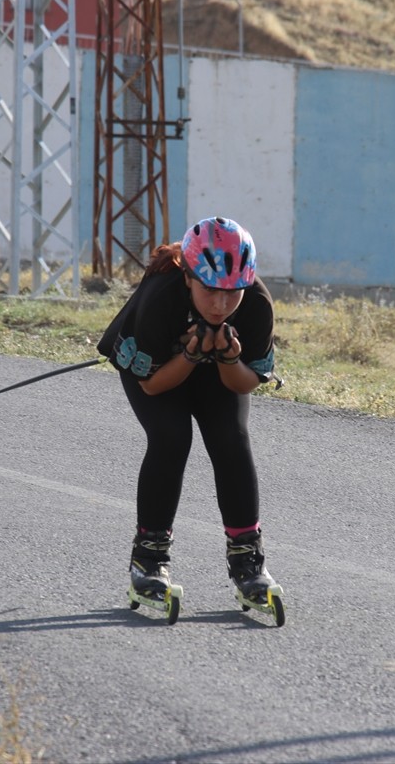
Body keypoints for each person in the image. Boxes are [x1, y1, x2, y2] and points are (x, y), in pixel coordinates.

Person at [97, 216, 282, 607]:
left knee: (231, 439)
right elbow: (153, 386)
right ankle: (148, 560)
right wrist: (192, 354)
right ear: (188, 279)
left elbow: (246, 383)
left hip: (218, 372)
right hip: (160, 371)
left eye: (232, 293)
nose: (220, 304)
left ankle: (248, 562)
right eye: (210, 290)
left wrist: (227, 358)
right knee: (171, 437)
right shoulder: (162, 296)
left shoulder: (257, 304)